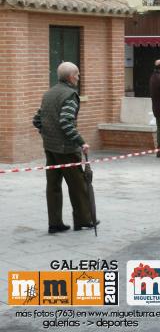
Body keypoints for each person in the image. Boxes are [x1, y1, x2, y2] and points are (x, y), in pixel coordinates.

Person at [32, 62, 98, 234]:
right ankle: (83, 220)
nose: (79, 77)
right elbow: (66, 122)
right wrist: (81, 142)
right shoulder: (70, 95)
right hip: (67, 150)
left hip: (50, 148)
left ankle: (55, 223)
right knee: (78, 186)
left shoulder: (48, 94)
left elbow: (37, 120)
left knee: (53, 186)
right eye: (77, 74)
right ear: (70, 77)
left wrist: (46, 133)